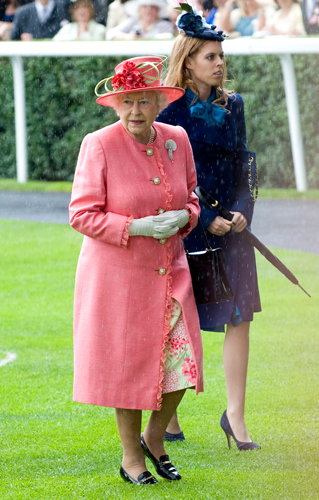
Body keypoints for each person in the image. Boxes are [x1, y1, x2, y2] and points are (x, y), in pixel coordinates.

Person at [69, 56, 204, 484]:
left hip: (170, 273)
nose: (134, 112)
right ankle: (132, 458)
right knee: (127, 367)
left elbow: (193, 198)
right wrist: (136, 226)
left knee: (183, 364)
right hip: (118, 279)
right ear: (115, 104)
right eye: (126, 102)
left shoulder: (176, 139)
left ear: (158, 104)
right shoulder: (99, 144)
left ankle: (155, 436)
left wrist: (187, 216)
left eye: (143, 102)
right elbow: (81, 214)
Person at [157, 5, 261, 450]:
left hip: (232, 234)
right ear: (188, 62)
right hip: (189, 231)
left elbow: (245, 164)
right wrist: (203, 220)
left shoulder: (233, 105)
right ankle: (169, 414)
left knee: (240, 318)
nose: (220, 63)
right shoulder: (169, 110)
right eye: (210, 57)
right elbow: (165, 176)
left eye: (221, 56)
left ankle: (235, 417)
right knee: (177, 316)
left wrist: (241, 211)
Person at [105, 0, 173, 40]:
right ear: (139, 10)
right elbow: (110, 33)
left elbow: (169, 37)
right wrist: (128, 36)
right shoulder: (133, 21)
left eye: (152, 7)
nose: (148, 10)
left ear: (157, 11)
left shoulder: (164, 25)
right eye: (145, 7)